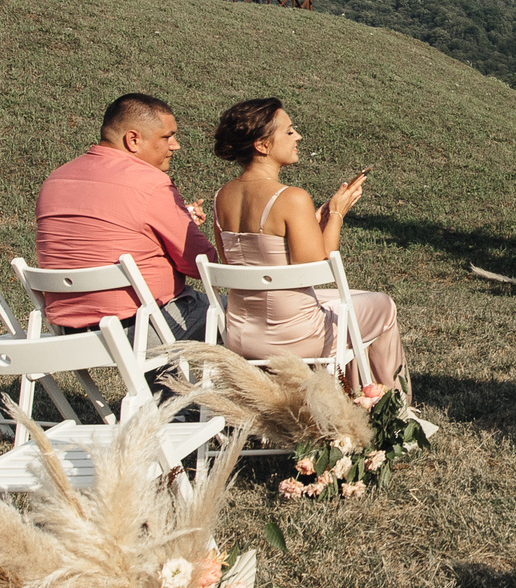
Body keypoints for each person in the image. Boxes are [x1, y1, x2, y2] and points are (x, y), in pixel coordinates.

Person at [207, 98, 406, 392]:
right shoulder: (291, 197)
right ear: (262, 145)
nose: (297, 136)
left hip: (241, 334)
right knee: (383, 306)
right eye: (288, 132)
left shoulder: (221, 197)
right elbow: (318, 270)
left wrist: (312, 225)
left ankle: (352, 399)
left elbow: (237, 263)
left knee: (353, 296)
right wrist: (336, 213)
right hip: (296, 336)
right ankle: (385, 405)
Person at [34, 93, 213, 340]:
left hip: (69, 334)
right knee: (249, 322)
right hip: (140, 328)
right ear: (133, 139)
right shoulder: (150, 184)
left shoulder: (56, 180)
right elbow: (201, 264)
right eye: (167, 136)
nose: (175, 145)